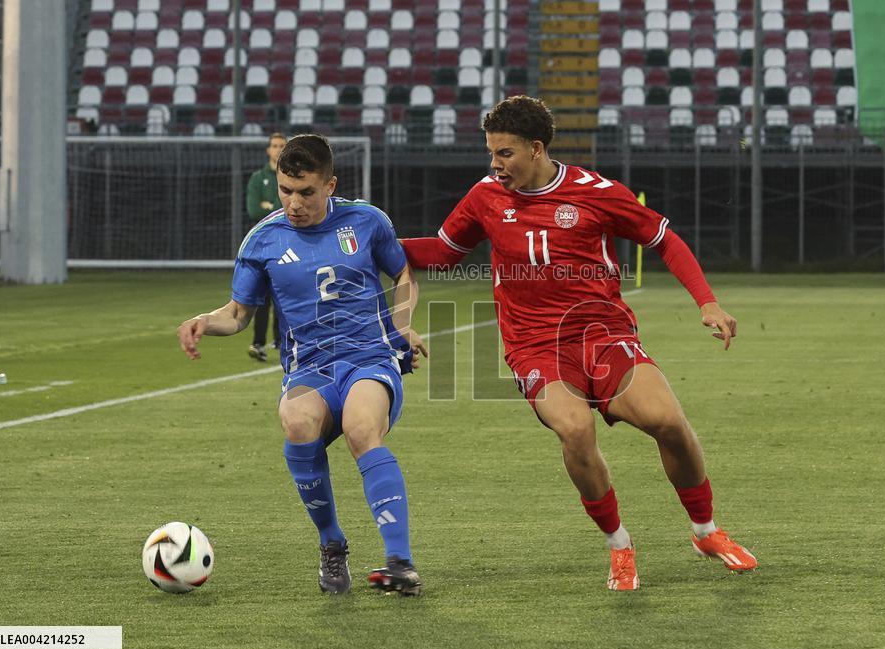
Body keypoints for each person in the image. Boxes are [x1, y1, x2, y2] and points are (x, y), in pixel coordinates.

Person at [400, 96, 756, 591]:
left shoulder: (596, 191)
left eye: (505, 154)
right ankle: (620, 546)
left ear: (537, 148)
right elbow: (441, 253)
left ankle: (706, 531)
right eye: (491, 153)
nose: (494, 165)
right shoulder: (484, 197)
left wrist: (707, 302)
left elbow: (664, 240)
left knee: (669, 423)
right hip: (534, 344)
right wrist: (377, 244)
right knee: (575, 429)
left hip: (603, 334)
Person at [178, 134, 428, 596]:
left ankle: (400, 562)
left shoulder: (367, 221)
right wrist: (201, 323)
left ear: (329, 185)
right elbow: (237, 314)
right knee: (296, 421)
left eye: (306, 192)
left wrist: (403, 325)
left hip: (368, 358)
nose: (294, 203)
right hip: (309, 367)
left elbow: (404, 275)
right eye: (285, 190)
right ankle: (332, 545)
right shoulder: (263, 240)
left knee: (360, 427)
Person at [244, 133, 286, 361]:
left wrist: (268, 206)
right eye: (274, 145)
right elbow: (253, 211)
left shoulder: (291, 176)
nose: (278, 149)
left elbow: (286, 210)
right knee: (261, 295)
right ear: (268, 150)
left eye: (282, 146)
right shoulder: (258, 178)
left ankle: (281, 341)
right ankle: (258, 342)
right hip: (263, 243)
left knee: (283, 290)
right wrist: (276, 207)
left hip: (286, 241)